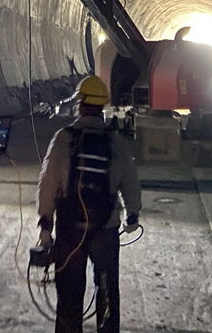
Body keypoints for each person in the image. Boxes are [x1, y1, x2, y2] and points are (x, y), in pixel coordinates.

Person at [36, 75, 141, 333]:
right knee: (107, 293)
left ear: (80, 105)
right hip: (105, 228)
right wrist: (132, 214)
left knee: (69, 296)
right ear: (102, 106)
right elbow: (130, 181)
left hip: (70, 229)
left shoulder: (63, 139)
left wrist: (46, 225)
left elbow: (48, 183)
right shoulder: (116, 142)